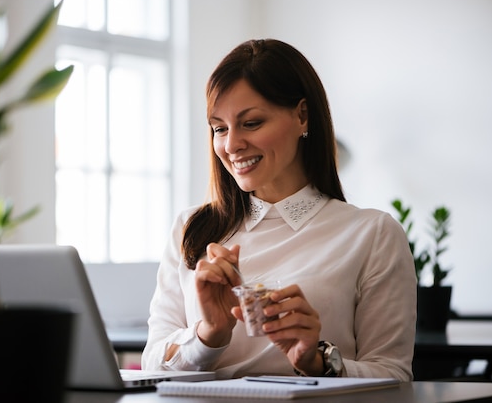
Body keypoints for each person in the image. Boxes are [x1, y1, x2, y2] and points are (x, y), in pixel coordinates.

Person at [141, 39, 416, 381]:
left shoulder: (372, 234)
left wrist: (318, 360)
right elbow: (152, 365)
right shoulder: (191, 228)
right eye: (219, 128)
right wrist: (207, 334)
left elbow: (394, 376)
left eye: (252, 123)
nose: (231, 145)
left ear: (302, 115)